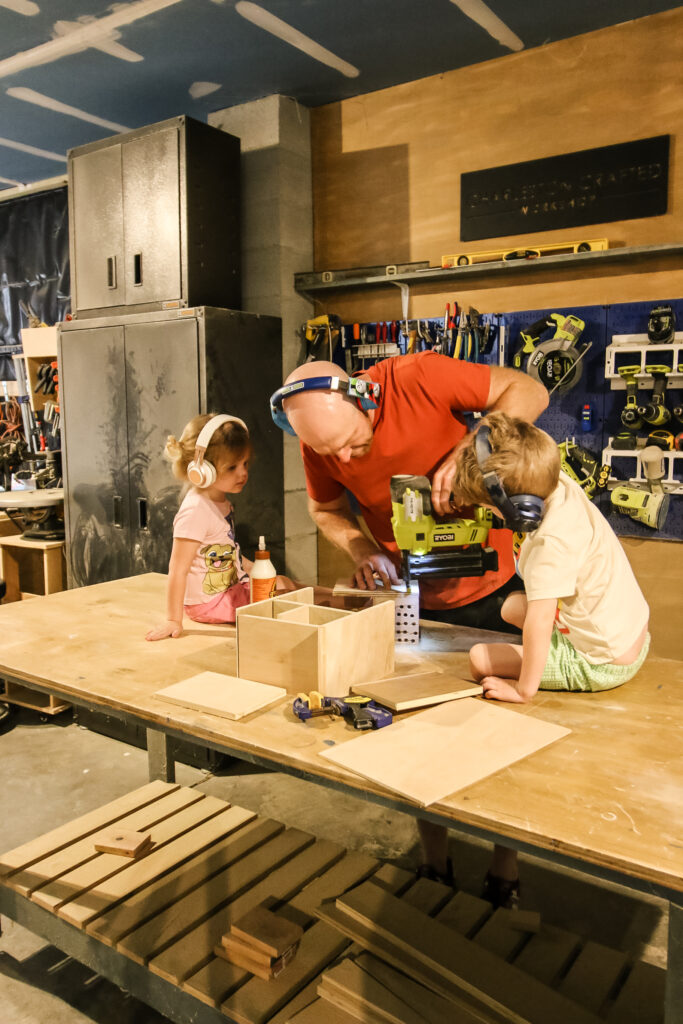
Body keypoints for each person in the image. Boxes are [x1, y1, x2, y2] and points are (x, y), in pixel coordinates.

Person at [269, 353, 548, 897]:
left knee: (505, 734)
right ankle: (435, 862)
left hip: (492, 591)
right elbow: (326, 509)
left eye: (350, 441)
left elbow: (530, 390)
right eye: (330, 452)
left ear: (362, 396)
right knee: (418, 731)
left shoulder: (415, 377)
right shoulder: (318, 439)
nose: (344, 457)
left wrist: (473, 449)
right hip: (413, 594)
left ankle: (504, 868)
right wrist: (362, 549)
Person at [436, 410, 650, 905]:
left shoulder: (551, 543)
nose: (488, 516)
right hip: (630, 630)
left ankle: (533, 675)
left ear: (520, 510)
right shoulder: (560, 487)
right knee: (513, 603)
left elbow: (537, 620)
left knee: (480, 659)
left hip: (603, 660)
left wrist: (522, 689)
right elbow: (529, 608)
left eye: (490, 509)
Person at [146, 413, 280, 641]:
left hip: (227, 591)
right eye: (232, 467)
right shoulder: (196, 510)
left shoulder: (220, 503)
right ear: (201, 470)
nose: (243, 472)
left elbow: (231, 555)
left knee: (283, 585)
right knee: (283, 597)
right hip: (209, 603)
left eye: (245, 463)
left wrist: (257, 570)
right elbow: (178, 568)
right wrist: (173, 619)